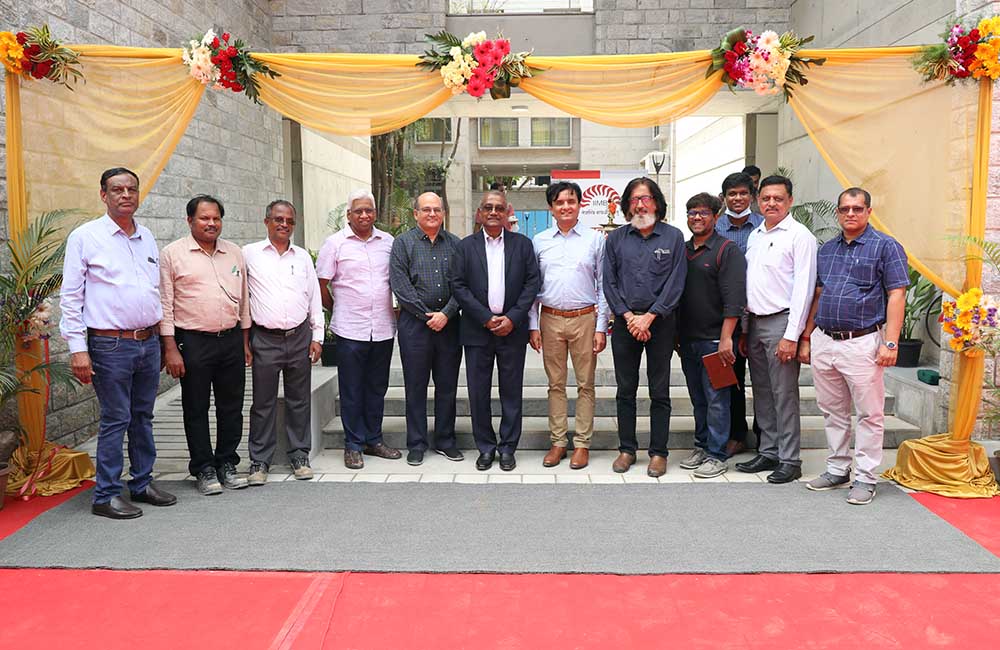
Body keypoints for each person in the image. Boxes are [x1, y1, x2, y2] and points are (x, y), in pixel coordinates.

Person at [60, 167, 176, 519]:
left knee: (143, 415)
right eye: (117, 190)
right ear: (103, 195)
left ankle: (141, 483)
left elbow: (154, 290)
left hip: (147, 342)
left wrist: (159, 337)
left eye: (131, 189)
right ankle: (105, 494)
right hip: (110, 345)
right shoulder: (86, 237)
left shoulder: (147, 237)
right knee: (116, 418)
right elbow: (70, 297)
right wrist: (78, 349)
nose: (125, 195)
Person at [799, 188, 908, 505]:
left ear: (869, 212)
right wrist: (807, 337)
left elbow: (897, 296)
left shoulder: (885, 247)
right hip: (824, 340)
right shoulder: (828, 249)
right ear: (837, 212)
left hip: (862, 342)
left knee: (869, 415)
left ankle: (865, 477)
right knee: (832, 411)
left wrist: (891, 341)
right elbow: (818, 293)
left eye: (857, 209)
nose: (850, 214)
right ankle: (837, 468)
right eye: (844, 209)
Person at [160, 195, 252, 495]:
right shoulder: (173, 254)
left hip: (230, 340)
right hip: (193, 341)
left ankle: (227, 461)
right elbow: (165, 304)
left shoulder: (234, 253)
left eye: (216, 218)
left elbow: (245, 300)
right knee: (195, 407)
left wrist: (245, 341)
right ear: (190, 221)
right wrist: (170, 348)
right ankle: (203, 467)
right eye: (204, 218)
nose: (211, 223)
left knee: (232, 407)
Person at [451, 189, 540, 471]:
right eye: (487, 207)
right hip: (477, 332)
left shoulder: (523, 245)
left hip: (512, 331)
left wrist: (512, 318)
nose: (493, 212)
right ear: (479, 213)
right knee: (478, 393)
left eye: (498, 208)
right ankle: (486, 448)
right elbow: (458, 286)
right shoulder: (465, 247)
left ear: (506, 212)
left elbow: (531, 284)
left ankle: (507, 448)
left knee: (511, 391)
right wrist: (486, 318)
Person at [603, 177, 686, 477]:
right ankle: (626, 449)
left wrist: (650, 317)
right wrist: (628, 317)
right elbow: (608, 283)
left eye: (647, 198)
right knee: (625, 389)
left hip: (660, 324)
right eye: (635, 199)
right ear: (627, 205)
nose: (641, 204)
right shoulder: (615, 240)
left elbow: (676, 283)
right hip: (626, 324)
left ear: (657, 203)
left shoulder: (673, 237)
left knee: (659, 390)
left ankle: (658, 453)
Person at [736, 175, 817, 483]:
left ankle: (790, 458)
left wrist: (792, 336)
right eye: (766, 198)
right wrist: (745, 330)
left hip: (782, 322)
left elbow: (804, 290)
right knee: (762, 392)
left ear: (790, 201)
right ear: (759, 200)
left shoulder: (800, 236)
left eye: (778, 198)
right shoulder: (756, 234)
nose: (771, 203)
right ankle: (768, 450)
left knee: (784, 393)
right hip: (754, 324)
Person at [316, 189, 401, 470]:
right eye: (358, 211)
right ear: (349, 215)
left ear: (375, 213)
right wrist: (338, 307)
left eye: (369, 210)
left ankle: (374, 440)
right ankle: (353, 445)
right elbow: (322, 285)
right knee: (351, 389)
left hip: (383, 327)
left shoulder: (388, 242)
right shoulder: (335, 244)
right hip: (350, 329)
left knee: (377, 387)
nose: (364, 215)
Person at [528, 181, 609, 470]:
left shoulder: (595, 240)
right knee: (555, 385)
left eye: (571, 201)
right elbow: (532, 286)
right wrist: (532, 326)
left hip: (584, 318)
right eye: (559, 202)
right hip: (549, 319)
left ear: (579, 205)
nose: (565, 207)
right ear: (551, 207)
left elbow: (604, 285)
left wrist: (601, 327)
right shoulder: (539, 241)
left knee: (586, 384)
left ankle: (582, 444)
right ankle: (558, 441)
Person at [243, 200, 324, 485]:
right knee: (262, 403)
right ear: (266, 221)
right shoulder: (249, 254)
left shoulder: (301, 257)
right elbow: (243, 299)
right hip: (264, 338)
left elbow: (314, 297)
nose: (284, 225)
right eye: (278, 219)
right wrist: (244, 339)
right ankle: (259, 461)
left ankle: (299, 454)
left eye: (289, 221)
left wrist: (318, 337)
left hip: (299, 336)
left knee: (298, 400)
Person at [389, 192, 464, 466]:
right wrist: (427, 315)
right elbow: (400, 286)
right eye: (426, 210)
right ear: (416, 214)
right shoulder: (402, 244)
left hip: (450, 327)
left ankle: (445, 440)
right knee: (416, 387)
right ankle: (417, 443)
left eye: (437, 210)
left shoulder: (456, 245)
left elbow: (463, 285)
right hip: (414, 327)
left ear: (444, 213)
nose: (432, 214)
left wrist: (445, 314)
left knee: (447, 387)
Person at [677, 192, 746, 479]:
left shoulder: (726, 250)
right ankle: (702, 446)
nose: (697, 217)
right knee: (699, 399)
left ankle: (717, 454)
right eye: (692, 212)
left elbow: (735, 299)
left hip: (717, 341)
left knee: (718, 399)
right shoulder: (683, 250)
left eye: (703, 212)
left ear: (716, 217)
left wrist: (727, 338)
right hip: (688, 340)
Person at [716, 172, 764, 457]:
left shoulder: (764, 226)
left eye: (743, 193)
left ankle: (764, 435)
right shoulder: (715, 227)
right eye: (731, 194)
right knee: (730, 378)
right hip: (727, 318)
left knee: (762, 380)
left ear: (752, 196)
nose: (737, 199)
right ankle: (736, 433)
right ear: (724, 198)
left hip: (760, 314)